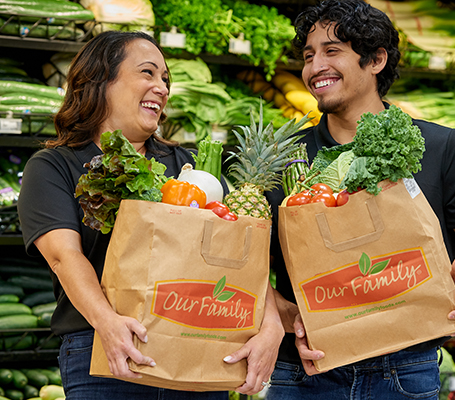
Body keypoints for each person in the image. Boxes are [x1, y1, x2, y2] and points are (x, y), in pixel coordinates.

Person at [264, 0, 455, 399]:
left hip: (406, 370)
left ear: (376, 59)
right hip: (305, 370)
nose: (314, 68)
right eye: (309, 56)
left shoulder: (445, 149)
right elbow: (251, 276)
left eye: (332, 51)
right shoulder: (282, 160)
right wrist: (291, 316)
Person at [17, 30, 283, 400]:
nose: (162, 87)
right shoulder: (54, 166)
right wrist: (107, 322)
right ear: (99, 81)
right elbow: (65, 256)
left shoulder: (190, 167)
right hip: (106, 354)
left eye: (165, 79)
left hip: (197, 344)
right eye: (147, 73)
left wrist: (271, 326)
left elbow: (240, 256)